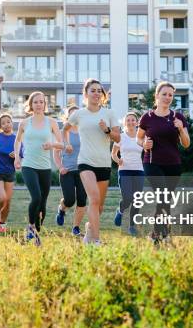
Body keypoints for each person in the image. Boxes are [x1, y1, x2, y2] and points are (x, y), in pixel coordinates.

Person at [63, 79, 120, 245]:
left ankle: (89, 232)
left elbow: (118, 137)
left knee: (99, 206)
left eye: (99, 91)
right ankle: (96, 240)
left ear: (102, 95)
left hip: (103, 163)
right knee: (93, 199)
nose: (96, 93)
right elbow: (65, 128)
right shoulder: (79, 114)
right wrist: (66, 143)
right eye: (92, 90)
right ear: (85, 93)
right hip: (85, 162)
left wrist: (107, 130)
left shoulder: (109, 114)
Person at [137, 81, 190, 246]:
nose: (167, 98)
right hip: (152, 162)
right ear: (157, 96)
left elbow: (186, 144)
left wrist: (181, 129)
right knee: (163, 195)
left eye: (170, 95)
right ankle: (161, 235)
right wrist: (144, 144)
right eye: (164, 94)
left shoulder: (178, 117)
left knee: (166, 200)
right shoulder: (147, 117)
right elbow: (139, 138)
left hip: (173, 164)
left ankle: (157, 234)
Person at [14, 92, 63, 246]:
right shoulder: (24, 123)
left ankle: (36, 232)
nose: (39, 104)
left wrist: (52, 145)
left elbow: (61, 144)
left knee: (42, 204)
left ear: (45, 104)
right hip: (28, 165)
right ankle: (31, 227)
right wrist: (17, 157)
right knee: (36, 197)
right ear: (31, 104)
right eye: (35, 102)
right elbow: (17, 142)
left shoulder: (52, 122)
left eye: (41, 102)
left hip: (45, 167)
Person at [53, 105, 87, 236]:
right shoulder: (63, 133)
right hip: (67, 171)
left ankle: (76, 228)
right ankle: (62, 209)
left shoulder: (85, 132)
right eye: (71, 115)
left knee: (82, 200)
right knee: (69, 200)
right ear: (67, 118)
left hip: (83, 170)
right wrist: (60, 167)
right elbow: (56, 152)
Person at [111, 112, 144, 237]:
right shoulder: (121, 137)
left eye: (133, 120)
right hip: (124, 170)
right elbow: (113, 153)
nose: (130, 122)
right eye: (128, 120)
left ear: (137, 122)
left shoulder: (142, 137)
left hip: (139, 171)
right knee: (128, 198)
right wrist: (117, 160)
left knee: (137, 200)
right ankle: (120, 211)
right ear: (125, 123)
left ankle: (131, 226)